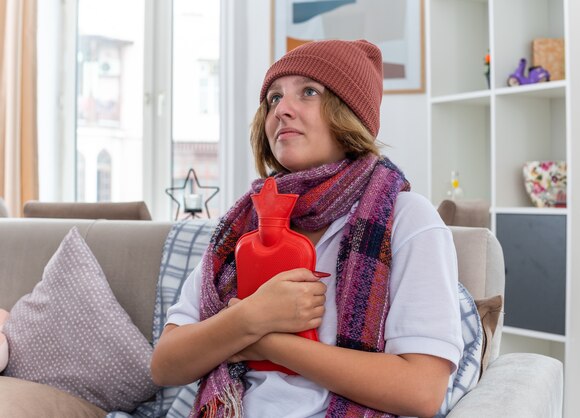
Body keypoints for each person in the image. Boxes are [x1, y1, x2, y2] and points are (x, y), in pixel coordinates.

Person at [151, 39, 463, 418]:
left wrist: (266, 342)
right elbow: (165, 365)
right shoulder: (241, 226)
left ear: (348, 114)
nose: (282, 109)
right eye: (273, 98)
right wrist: (250, 317)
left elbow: (421, 391)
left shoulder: (408, 219)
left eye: (309, 92)